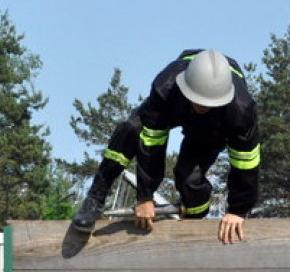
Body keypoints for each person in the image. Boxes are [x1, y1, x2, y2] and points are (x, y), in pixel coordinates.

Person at [70, 48, 259, 245]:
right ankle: (95, 198)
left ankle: (194, 217)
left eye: (208, 103)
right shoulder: (165, 88)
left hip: (215, 124)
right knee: (131, 129)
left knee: (189, 179)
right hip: (175, 104)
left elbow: (246, 163)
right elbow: (152, 145)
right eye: (199, 100)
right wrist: (145, 196)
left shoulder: (241, 110)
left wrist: (238, 210)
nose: (203, 106)